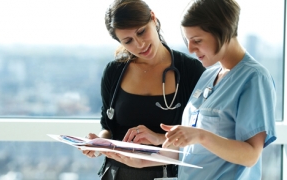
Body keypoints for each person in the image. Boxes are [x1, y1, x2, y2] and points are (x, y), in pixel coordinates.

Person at [105, 0, 277, 179]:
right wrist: (143, 160)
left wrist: (202, 136)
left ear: (223, 31)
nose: (190, 48)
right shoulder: (208, 76)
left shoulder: (254, 78)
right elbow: (194, 151)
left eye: (197, 40)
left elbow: (251, 156)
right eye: (188, 40)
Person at [80, 0, 206, 179]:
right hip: (117, 173)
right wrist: (98, 143)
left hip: (168, 173)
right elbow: (108, 127)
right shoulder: (114, 72)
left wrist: (159, 137)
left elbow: (202, 136)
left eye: (141, 32)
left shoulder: (190, 71)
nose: (139, 44)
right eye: (128, 41)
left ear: (153, 19)